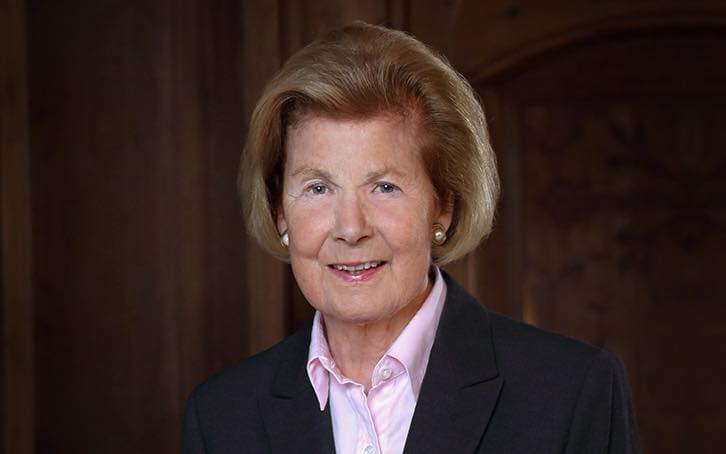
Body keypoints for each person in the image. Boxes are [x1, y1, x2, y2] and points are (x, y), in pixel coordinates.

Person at [183, 21, 639, 453]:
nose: (350, 228)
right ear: (280, 211)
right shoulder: (222, 417)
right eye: (318, 188)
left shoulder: (571, 393)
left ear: (443, 204)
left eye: (384, 187)